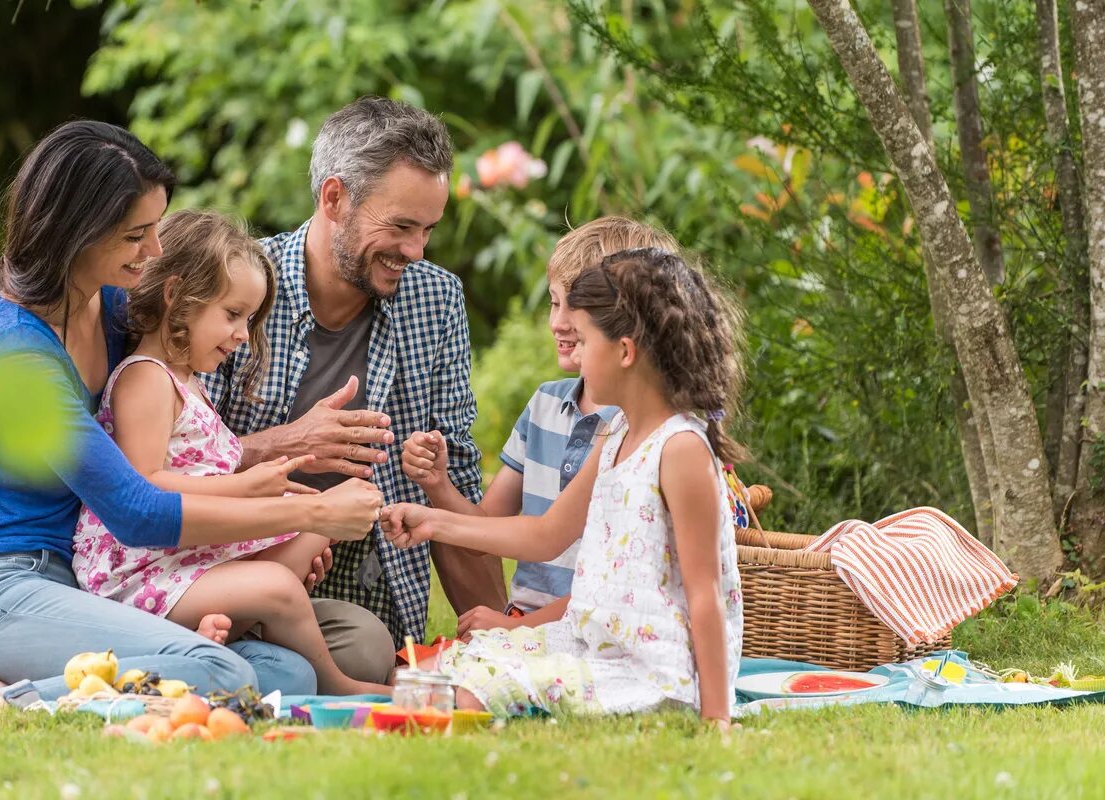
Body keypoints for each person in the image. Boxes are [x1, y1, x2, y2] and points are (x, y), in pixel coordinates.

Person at [0, 121, 383, 711]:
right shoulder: (13, 349)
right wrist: (315, 510)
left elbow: (176, 440)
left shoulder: (108, 312)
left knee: (283, 670)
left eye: (156, 229)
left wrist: (281, 463)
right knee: (216, 671)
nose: (155, 250)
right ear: (78, 233)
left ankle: (23, 686)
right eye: (138, 234)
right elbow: (136, 510)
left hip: (79, 588)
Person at [381, 248, 747, 732]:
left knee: (450, 698)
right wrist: (433, 521)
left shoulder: (679, 449)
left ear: (624, 351)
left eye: (586, 339)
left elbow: (706, 595)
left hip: (650, 675)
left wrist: (717, 717)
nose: (575, 352)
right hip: (588, 643)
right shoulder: (618, 434)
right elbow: (545, 534)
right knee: (422, 676)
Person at [201, 97, 504, 663]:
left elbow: (457, 479)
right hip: (228, 577)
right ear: (334, 198)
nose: (415, 251)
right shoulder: (233, 287)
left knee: (364, 651)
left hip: (367, 598)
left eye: (428, 230)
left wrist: (499, 643)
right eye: (401, 226)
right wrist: (287, 445)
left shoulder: (436, 300)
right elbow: (169, 469)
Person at [72, 210, 391, 695]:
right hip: (139, 574)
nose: (243, 335)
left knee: (312, 530)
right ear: (176, 296)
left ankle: (216, 636)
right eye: (232, 315)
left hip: (184, 560)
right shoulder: (144, 379)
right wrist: (244, 487)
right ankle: (338, 684)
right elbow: (143, 486)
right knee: (279, 584)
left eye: (249, 319)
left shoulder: (188, 383)